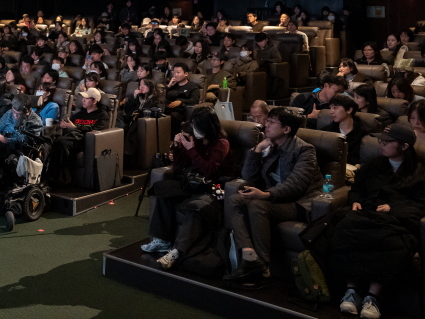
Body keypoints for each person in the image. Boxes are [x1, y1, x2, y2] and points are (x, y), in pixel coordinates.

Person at [328, 124, 425, 319]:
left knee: (391, 241)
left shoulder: (419, 172)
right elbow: (357, 189)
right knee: (345, 228)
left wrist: (394, 208)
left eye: (387, 142)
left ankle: (373, 296)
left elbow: (421, 204)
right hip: (368, 213)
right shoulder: (374, 164)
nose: (381, 145)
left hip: (396, 220)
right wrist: (355, 200)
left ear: (404, 146)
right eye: (380, 140)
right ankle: (351, 291)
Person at [224, 106, 322, 282]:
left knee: (257, 204)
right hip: (274, 199)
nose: (265, 125)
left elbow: (296, 185)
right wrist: (257, 150)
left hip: (298, 203)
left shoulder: (305, 150)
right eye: (267, 121)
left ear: (286, 129)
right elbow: (248, 176)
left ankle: (263, 265)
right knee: (234, 200)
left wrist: (265, 195)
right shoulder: (271, 146)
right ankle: (249, 256)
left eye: (271, 122)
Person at [142, 106, 234, 269]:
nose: (194, 129)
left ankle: (177, 250)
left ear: (207, 126)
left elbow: (210, 170)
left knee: (197, 208)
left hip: (214, 186)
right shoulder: (197, 140)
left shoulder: (221, 143)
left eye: (197, 126)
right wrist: (179, 147)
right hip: (194, 182)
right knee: (163, 189)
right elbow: (179, 166)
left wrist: (191, 149)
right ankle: (162, 240)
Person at [48, 88, 110, 185]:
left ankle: (52, 179)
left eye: (86, 98)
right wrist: (64, 126)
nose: (83, 100)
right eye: (83, 98)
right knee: (52, 142)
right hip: (70, 137)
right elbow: (69, 126)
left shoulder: (102, 115)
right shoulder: (79, 114)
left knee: (61, 143)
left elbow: (98, 131)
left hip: (84, 141)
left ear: (94, 101)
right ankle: (50, 176)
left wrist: (74, 127)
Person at [320, 94, 369, 178]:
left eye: (335, 108)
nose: (331, 111)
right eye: (330, 108)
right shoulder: (326, 132)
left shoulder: (364, 133)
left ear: (349, 110)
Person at [164, 63, 201, 135]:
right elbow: (163, 97)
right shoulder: (173, 86)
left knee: (174, 115)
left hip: (183, 111)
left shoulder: (192, 86)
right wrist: (168, 86)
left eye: (178, 72)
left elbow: (194, 100)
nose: (175, 74)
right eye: (174, 72)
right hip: (168, 108)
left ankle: (174, 138)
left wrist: (181, 101)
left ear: (186, 74)